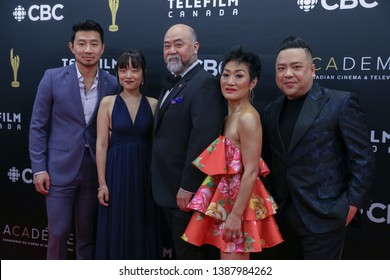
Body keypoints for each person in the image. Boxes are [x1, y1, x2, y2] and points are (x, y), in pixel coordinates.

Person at [261, 36, 375, 259]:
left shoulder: (340, 103)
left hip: (325, 217)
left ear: (312, 70)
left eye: (296, 67)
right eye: (281, 68)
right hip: (282, 216)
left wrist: (349, 207)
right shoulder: (271, 110)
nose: (288, 74)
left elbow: (363, 160)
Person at [181, 46, 283, 260]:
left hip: (239, 207)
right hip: (224, 203)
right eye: (226, 75)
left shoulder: (247, 118)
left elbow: (251, 170)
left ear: (253, 82)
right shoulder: (230, 116)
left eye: (239, 76)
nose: (230, 81)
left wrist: (236, 215)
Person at [29, 19, 117, 259]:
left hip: (94, 170)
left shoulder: (112, 83)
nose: (88, 50)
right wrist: (39, 169)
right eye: (82, 44)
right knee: (58, 233)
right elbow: (38, 126)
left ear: (102, 48)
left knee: (87, 237)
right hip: (59, 170)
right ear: (71, 47)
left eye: (93, 44)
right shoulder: (52, 78)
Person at [151, 23, 226, 259]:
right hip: (165, 190)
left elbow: (203, 140)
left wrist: (189, 186)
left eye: (178, 44)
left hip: (185, 195)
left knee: (188, 259)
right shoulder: (174, 81)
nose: (171, 50)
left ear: (195, 47)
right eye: (166, 46)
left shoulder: (204, 83)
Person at [95, 49, 161, 259]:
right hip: (116, 173)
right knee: (116, 223)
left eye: (135, 69)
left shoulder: (153, 104)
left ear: (144, 74)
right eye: (123, 70)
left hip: (144, 174)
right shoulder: (108, 103)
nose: (129, 75)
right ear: (117, 73)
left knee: (143, 223)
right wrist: (102, 183)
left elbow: (158, 144)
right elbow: (102, 144)